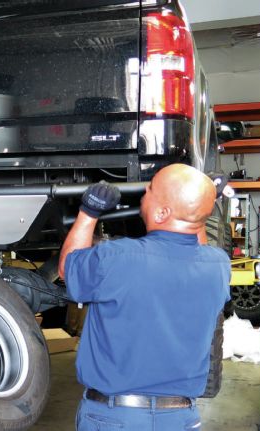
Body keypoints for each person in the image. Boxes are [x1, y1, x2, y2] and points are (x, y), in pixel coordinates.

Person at [58, 164, 231, 430]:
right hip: (182, 419)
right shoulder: (218, 266)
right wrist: (202, 202)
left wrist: (89, 212)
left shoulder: (116, 258)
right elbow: (195, 238)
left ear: (162, 212)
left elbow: (69, 269)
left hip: (115, 419)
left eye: (149, 190)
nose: (143, 193)